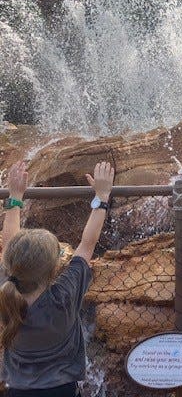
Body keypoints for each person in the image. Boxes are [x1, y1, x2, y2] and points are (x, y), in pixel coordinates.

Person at [0, 161, 114, 397]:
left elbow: (8, 244)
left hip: (17, 391)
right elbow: (87, 245)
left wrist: (14, 196)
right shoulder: (63, 297)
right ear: (54, 270)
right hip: (62, 390)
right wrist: (102, 197)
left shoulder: (6, 288)